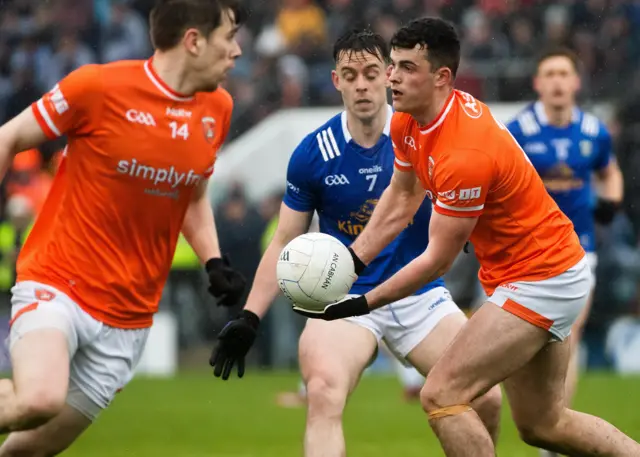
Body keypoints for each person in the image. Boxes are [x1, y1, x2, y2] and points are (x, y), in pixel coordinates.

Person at [296, 18, 640, 457]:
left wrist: (363, 300)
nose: (391, 77)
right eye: (393, 65)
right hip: (534, 273)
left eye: (405, 67)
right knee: (544, 425)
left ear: (441, 78)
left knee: (442, 394)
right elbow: (400, 197)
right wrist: (351, 263)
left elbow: (438, 262)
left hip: (543, 279)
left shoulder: (464, 154)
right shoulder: (409, 122)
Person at [210, 29, 502, 457]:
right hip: (342, 299)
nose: (361, 84)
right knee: (324, 394)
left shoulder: (422, 137)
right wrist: (250, 316)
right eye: (350, 75)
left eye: (369, 73)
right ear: (336, 80)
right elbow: (284, 241)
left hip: (417, 293)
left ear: (387, 75)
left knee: (487, 398)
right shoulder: (313, 153)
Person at [0, 0, 247, 455]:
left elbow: (192, 194)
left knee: (24, 451)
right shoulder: (98, 87)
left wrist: (213, 261)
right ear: (193, 41)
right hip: (59, 282)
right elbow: (9, 136)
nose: (236, 51)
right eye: (228, 37)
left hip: (129, 319)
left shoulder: (219, 108)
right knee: (39, 398)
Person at [506, 47, 623, 457]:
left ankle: (553, 432)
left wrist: (611, 200)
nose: (557, 81)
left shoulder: (593, 131)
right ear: (538, 84)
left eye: (563, 73)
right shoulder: (518, 130)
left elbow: (609, 171)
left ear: (575, 82)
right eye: (549, 73)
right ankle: (546, 421)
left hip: (579, 250)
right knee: (532, 343)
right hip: (527, 252)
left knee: (567, 333)